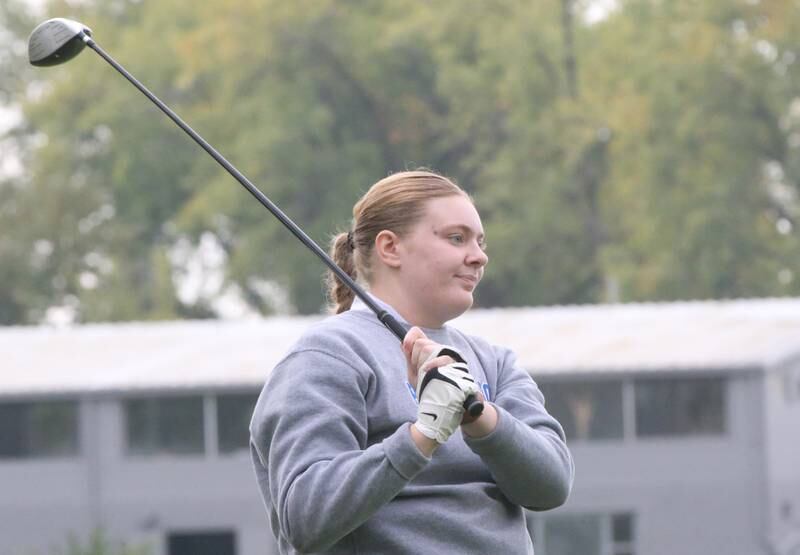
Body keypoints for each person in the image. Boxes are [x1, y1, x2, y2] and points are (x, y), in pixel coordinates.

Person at [250, 170, 574, 554]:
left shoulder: (494, 362)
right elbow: (303, 517)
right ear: (390, 248)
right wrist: (422, 436)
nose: (479, 256)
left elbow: (551, 485)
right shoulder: (328, 355)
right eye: (457, 238)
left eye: (480, 242)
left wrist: (480, 417)